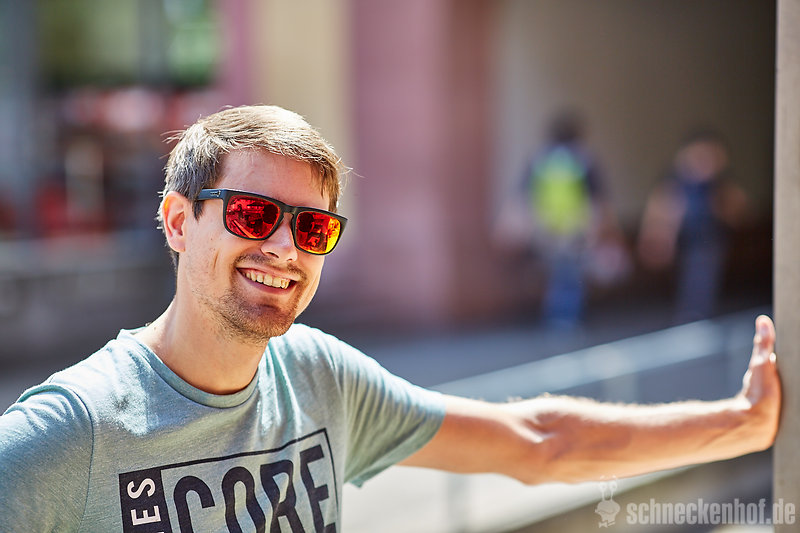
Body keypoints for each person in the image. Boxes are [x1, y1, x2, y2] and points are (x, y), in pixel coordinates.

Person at [0, 105, 780, 531]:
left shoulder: (318, 376)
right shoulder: (70, 431)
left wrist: (745, 423)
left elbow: (541, 441)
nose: (284, 248)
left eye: (312, 227)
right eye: (252, 213)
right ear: (178, 221)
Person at [521, 111, 625, 327]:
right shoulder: (583, 158)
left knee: (556, 272)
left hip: (547, 225)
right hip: (576, 225)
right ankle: (570, 317)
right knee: (573, 273)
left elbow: (526, 193)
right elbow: (597, 195)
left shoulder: (540, 158)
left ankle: (555, 315)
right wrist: (605, 225)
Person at [638, 129, 750, 322]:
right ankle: (690, 317)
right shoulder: (674, 180)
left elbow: (739, 209)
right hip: (684, 240)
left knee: (702, 272)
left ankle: (696, 316)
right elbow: (659, 209)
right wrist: (657, 236)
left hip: (709, 240)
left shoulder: (719, 184)